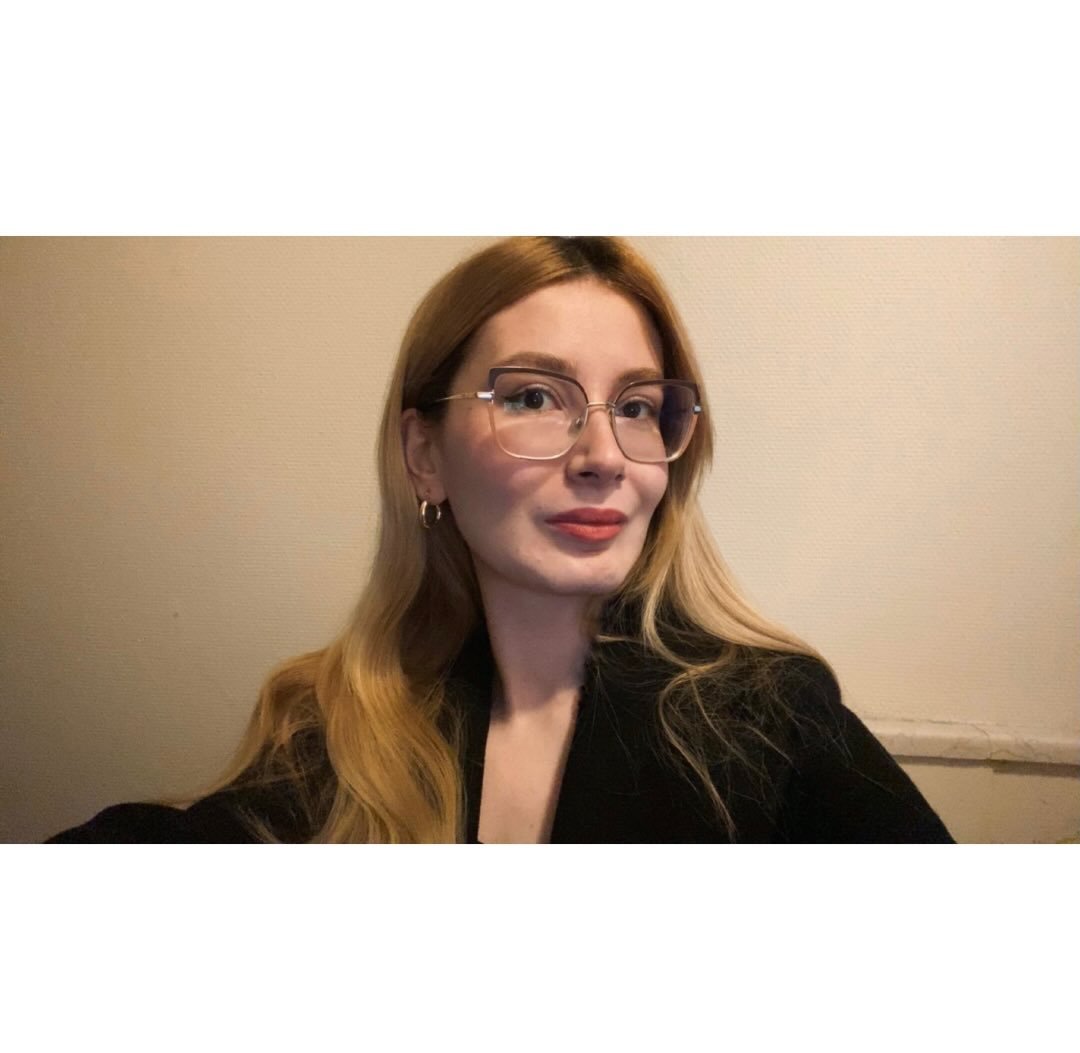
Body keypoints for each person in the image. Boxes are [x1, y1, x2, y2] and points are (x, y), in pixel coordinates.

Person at [48, 236, 952, 844]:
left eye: (638, 407)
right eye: (531, 397)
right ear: (425, 455)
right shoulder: (339, 725)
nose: (605, 456)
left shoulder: (768, 720)